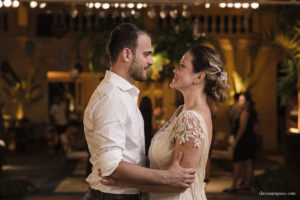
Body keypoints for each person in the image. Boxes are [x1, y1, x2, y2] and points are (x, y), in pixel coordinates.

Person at [83, 23, 196, 200]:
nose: (151, 61)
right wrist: (168, 177)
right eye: (146, 54)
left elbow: (129, 156)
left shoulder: (123, 95)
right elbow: (111, 167)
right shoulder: (112, 97)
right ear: (126, 54)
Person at [101, 45, 230, 200]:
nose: (175, 70)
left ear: (199, 77)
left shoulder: (191, 119)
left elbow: (178, 183)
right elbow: (164, 166)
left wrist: (124, 181)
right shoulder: (182, 111)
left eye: (182, 66)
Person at [224, 92, 258, 192]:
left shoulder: (244, 113)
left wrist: (236, 141)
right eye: (239, 100)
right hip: (249, 139)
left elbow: (242, 129)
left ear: (247, 102)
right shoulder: (251, 112)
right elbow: (256, 128)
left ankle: (234, 185)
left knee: (237, 162)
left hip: (243, 140)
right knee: (247, 161)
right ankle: (246, 184)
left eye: (242, 100)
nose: (240, 102)